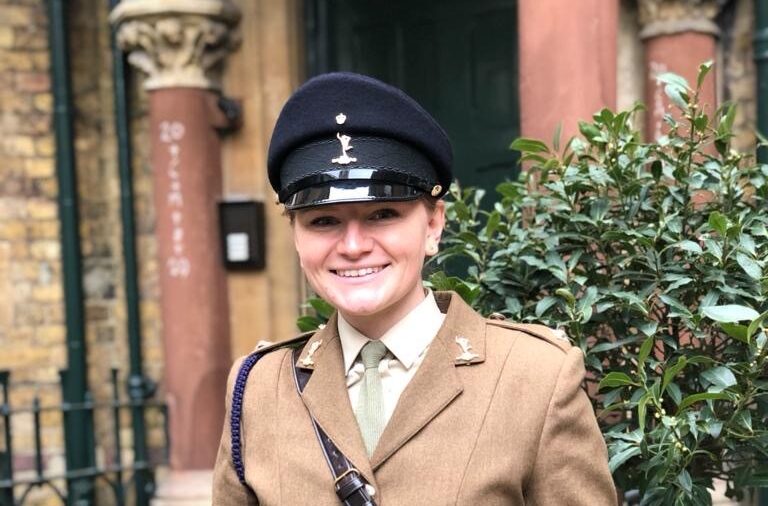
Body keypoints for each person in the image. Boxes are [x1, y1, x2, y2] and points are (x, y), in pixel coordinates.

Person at [212, 72, 617, 505]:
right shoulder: (257, 389)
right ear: (296, 237)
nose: (353, 246)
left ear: (433, 225)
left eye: (383, 214)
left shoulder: (536, 378)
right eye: (323, 221)